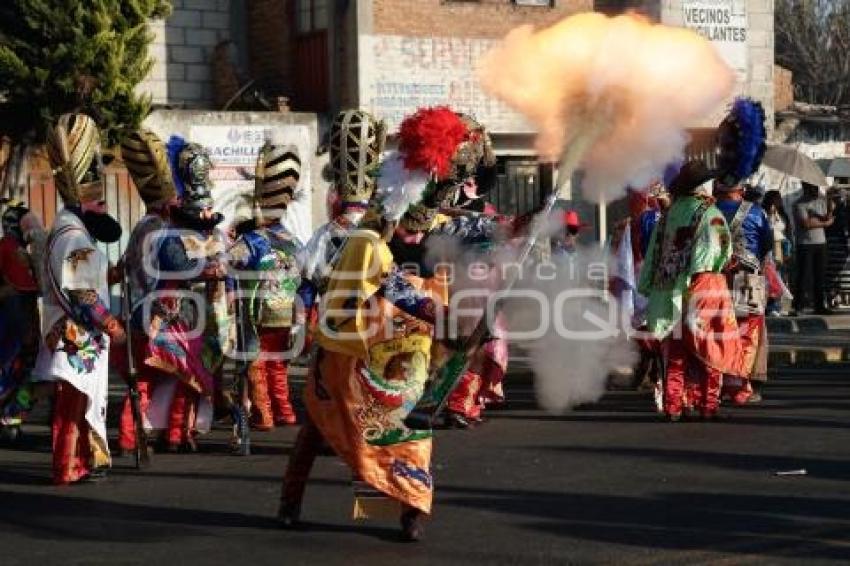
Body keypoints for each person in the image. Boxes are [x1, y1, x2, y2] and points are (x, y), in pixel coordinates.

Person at [278, 106, 485, 541]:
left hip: (403, 353)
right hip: (349, 350)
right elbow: (388, 284)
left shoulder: (440, 231)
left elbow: (467, 250)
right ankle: (290, 505)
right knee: (322, 427)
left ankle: (407, 511)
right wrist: (434, 311)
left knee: (405, 430)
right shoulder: (366, 239)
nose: (414, 226)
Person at [33, 113, 126, 484]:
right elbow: (83, 292)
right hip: (77, 333)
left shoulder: (67, 229)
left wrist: (115, 274)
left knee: (78, 402)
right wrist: (111, 323)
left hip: (72, 332)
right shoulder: (73, 234)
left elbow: (87, 279)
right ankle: (68, 467)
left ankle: (80, 463)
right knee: (73, 406)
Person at [133, 136, 225, 452]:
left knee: (185, 379)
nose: (205, 218)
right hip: (167, 312)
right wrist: (207, 269)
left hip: (187, 312)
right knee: (158, 377)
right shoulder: (169, 235)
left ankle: (177, 432)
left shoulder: (196, 236)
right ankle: (137, 435)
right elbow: (178, 267)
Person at [638, 160, 743, 421]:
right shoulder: (711, 213)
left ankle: (675, 405)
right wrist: (725, 263)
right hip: (704, 285)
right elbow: (718, 251)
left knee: (676, 350)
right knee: (710, 349)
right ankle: (708, 405)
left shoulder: (668, 215)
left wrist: (650, 285)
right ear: (703, 186)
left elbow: (652, 253)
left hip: (668, 289)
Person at [228, 142, 313, 429]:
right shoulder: (296, 242)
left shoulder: (251, 241)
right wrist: (300, 315)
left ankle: (263, 414)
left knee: (257, 363)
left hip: (257, 313)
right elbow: (306, 278)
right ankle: (285, 411)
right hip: (287, 312)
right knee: (278, 365)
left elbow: (230, 269)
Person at [116, 128, 181, 456]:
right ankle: (130, 436)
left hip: (137, 309)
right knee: (146, 380)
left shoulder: (142, 226)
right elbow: (174, 270)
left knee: (147, 380)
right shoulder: (163, 229)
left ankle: (147, 432)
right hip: (154, 313)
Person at [0, 200, 45, 440]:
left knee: (24, 369)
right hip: (12, 318)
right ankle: (9, 419)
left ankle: (12, 418)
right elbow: (18, 287)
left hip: (25, 316)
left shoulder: (21, 251)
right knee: (13, 367)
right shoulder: (6, 247)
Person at [792, 181, 833, 315]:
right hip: (805, 243)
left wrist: (829, 201)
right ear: (805, 187)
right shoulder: (799, 203)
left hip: (820, 242)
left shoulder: (821, 201)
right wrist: (824, 223)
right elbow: (806, 223)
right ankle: (798, 306)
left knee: (820, 276)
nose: (815, 189)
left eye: (816, 187)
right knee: (803, 275)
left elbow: (828, 216)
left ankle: (819, 305)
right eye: (812, 187)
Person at [763, 190, 792, 315]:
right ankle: (771, 305)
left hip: (781, 245)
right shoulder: (764, 213)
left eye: (779, 198)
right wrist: (771, 215)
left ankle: (780, 305)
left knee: (781, 274)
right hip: (771, 245)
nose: (779, 201)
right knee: (771, 275)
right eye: (776, 198)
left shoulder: (782, 215)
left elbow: (786, 230)